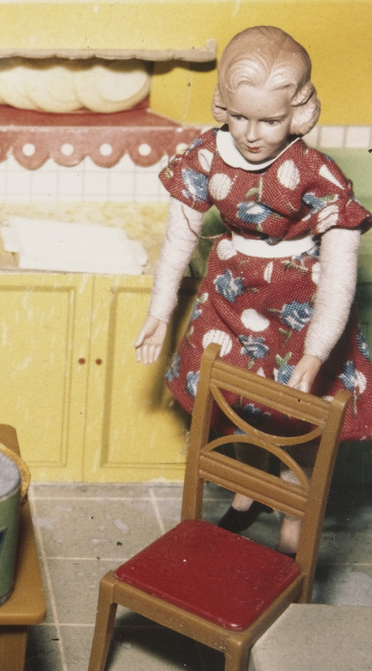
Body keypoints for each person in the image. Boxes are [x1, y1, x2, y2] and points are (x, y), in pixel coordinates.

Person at [135, 25, 372, 554]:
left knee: (297, 414)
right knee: (232, 398)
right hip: (229, 291)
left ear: (300, 113)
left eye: (271, 120)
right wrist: (159, 308)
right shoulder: (205, 154)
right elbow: (180, 237)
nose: (252, 133)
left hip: (298, 303)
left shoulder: (317, 174)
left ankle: (294, 508)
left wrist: (317, 349)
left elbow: (339, 271)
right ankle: (246, 494)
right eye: (240, 116)